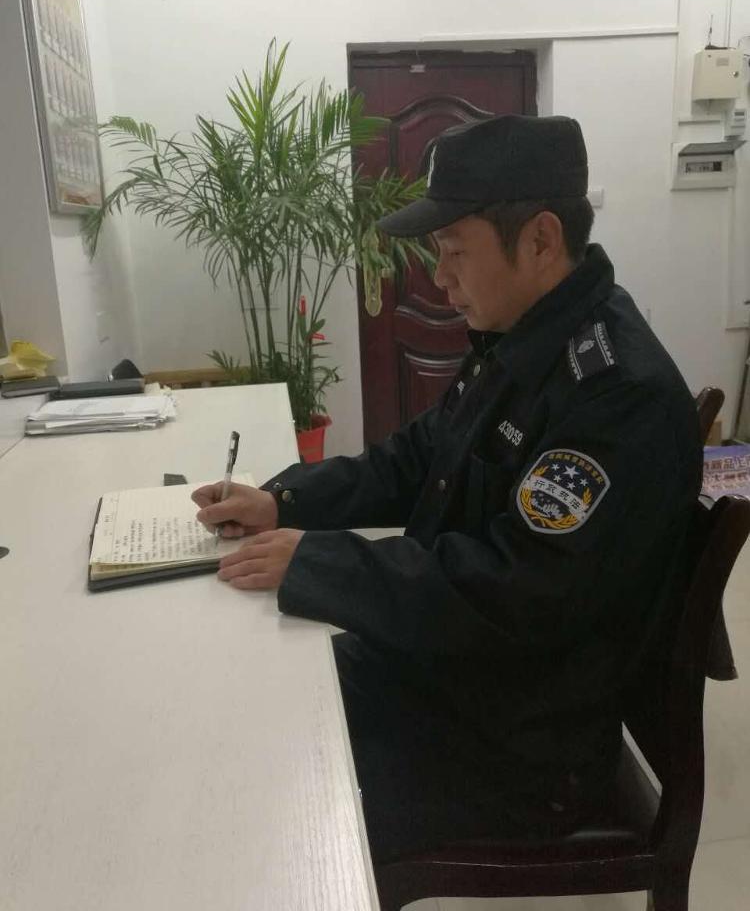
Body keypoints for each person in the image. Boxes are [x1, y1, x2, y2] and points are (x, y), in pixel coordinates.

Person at [192, 115, 703, 863]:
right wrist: (285, 502)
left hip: (522, 747)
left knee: (275, 804)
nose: (438, 277)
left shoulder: (616, 396)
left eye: (455, 252)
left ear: (540, 240)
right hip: (457, 676)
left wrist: (322, 563)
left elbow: (515, 587)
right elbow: (417, 457)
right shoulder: (523, 337)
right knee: (256, 694)